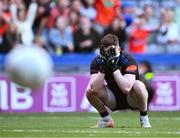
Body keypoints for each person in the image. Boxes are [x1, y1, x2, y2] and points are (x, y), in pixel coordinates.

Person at [86, 34, 151, 128]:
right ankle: (106, 120)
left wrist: (113, 67)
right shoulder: (97, 61)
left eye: (112, 50)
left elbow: (127, 88)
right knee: (89, 91)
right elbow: (94, 89)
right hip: (113, 98)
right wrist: (104, 67)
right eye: (106, 51)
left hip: (132, 98)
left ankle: (144, 118)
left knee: (139, 85)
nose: (109, 54)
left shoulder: (128, 59)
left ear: (119, 49)